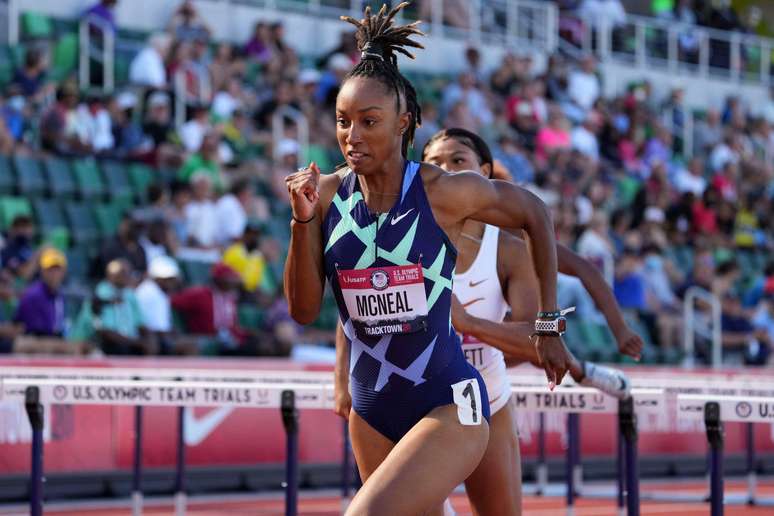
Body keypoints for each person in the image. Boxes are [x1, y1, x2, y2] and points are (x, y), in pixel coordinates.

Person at [284, 5, 569, 514]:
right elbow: (305, 311)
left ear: (403, 123)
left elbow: (535, 214)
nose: (353, 136)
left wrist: (547, 327)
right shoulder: (325, 197)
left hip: (448, 402)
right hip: (370, 410)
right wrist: (301, 223)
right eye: (343, 122)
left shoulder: (442, 193)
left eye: (370, 122)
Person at [336, 128, 641, 515]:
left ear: (483, 171)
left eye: (458, 162)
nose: (447, 171)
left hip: (484, 399)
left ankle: (582, 369)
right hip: (403, 396)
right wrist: (340, 380)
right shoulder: (397, 233)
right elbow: (358, 305)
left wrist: (468, 325)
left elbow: (545, 333)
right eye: (435, 164)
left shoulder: (508, 245)